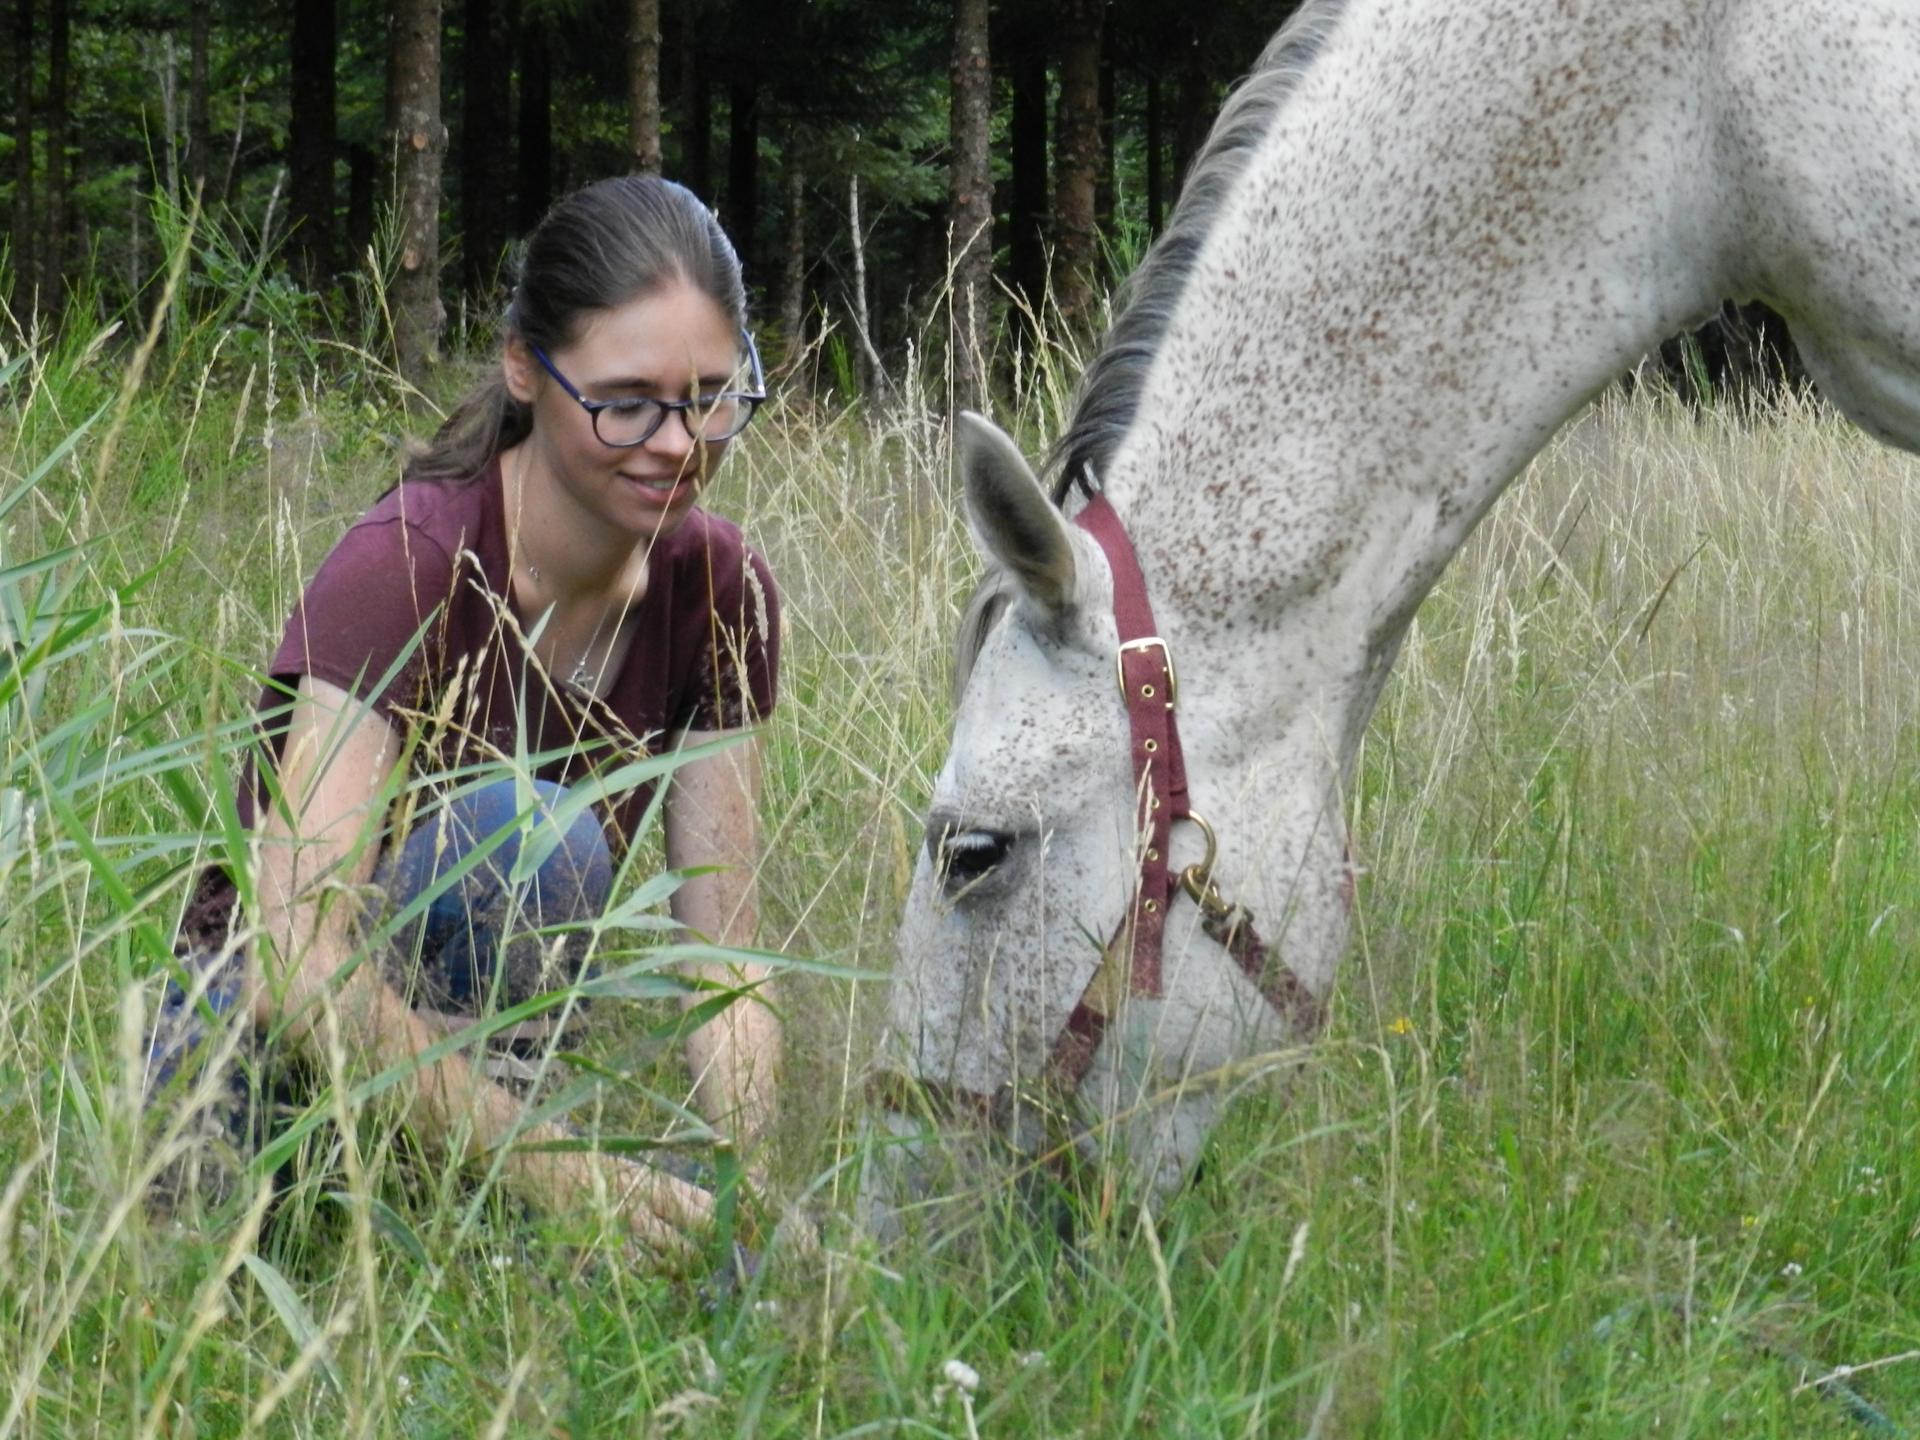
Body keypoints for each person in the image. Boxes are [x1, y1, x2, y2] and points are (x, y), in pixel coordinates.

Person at [146, 175, 783, 1261]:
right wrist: (547, 1164)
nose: (678, 444)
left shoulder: (720, 592)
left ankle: (458, 1220)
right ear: (525, 368)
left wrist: (748, 1198)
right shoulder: (408, 562)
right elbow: (297, 954)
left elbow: (727, 964)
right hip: (249, 1065)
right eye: (626, 401)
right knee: (533, 834)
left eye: (711, 397)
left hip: (471, 1097)